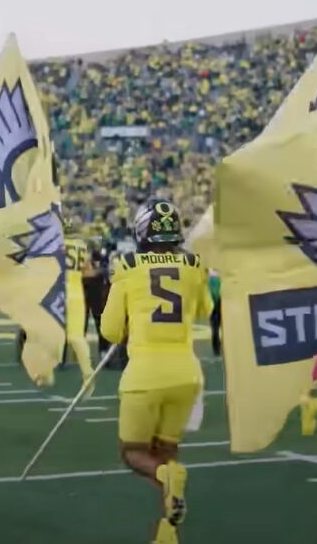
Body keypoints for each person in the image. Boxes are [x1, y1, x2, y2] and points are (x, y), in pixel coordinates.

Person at [101, 199, 213, 544]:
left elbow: (109, 330)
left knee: (134, 453)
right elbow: (205, 311)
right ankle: (168, 531)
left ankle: (166, 479)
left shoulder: (128, 264)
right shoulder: (193, 264)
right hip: (186, 373)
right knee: (167, 453)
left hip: (146, 373)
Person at [64, 220, 95, 396]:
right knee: (77, 338)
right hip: (76, 292)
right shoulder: (81, 246)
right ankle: (88, 373)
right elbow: (88, 272)